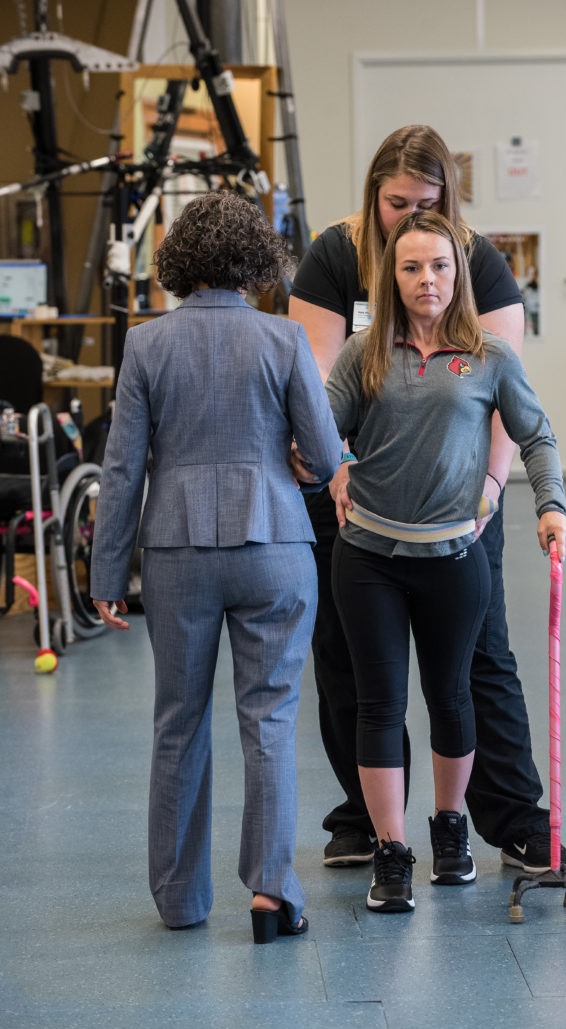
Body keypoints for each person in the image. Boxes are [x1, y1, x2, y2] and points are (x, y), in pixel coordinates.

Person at [289, 124, 566, 873]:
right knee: (354, 660)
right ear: (372, 197)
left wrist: (489, 489)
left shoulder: (474, 257)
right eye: (395, 203)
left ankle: (511, 819)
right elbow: (316, 386)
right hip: (353, 488)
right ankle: (369, 820)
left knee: (478, 658)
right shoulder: (334, 254)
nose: (409, 216)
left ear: (449, 202)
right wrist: (336, 461)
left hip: (459, 496)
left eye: (427, 202)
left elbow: (506, 399)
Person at [90, 191, 342, 943]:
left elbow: (122, 467)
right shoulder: (285, 339)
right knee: (269, 720)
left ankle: (179, 899)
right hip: (274, 549)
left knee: (178, 722)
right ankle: (270, 892)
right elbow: (326, 456)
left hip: (177, 553)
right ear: (256, 263)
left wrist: (107, 576)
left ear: (179, 264)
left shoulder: (146, 344)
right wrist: (293, 465)